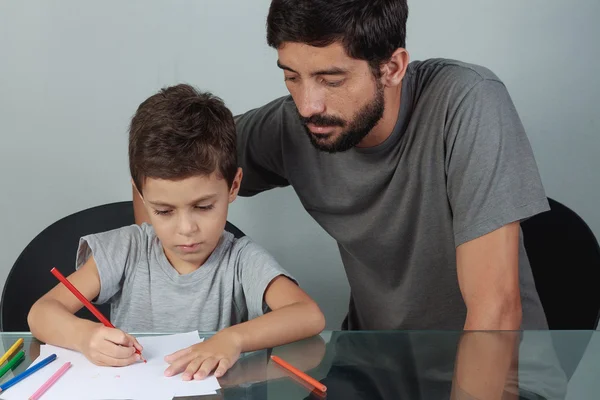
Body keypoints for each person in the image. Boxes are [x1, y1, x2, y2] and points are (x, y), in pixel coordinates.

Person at [134, 0, 550, 332]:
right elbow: (161, 163)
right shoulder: (293, 125)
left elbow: (495, 312)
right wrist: (164, 294)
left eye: (331, 80)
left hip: (503, 377)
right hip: (374, 368)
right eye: (292, 76)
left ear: (392, 67)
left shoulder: (469, 102)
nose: (307, 105)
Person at [28, 84, 325, 381]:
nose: (186, 229)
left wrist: (233, 339)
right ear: (141, 195)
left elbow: (308, 314)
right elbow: (41, 313)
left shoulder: (241, 260)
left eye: (204, 206)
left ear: (233, 186)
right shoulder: (127, 250)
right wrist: (86, 336)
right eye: (164, 211)